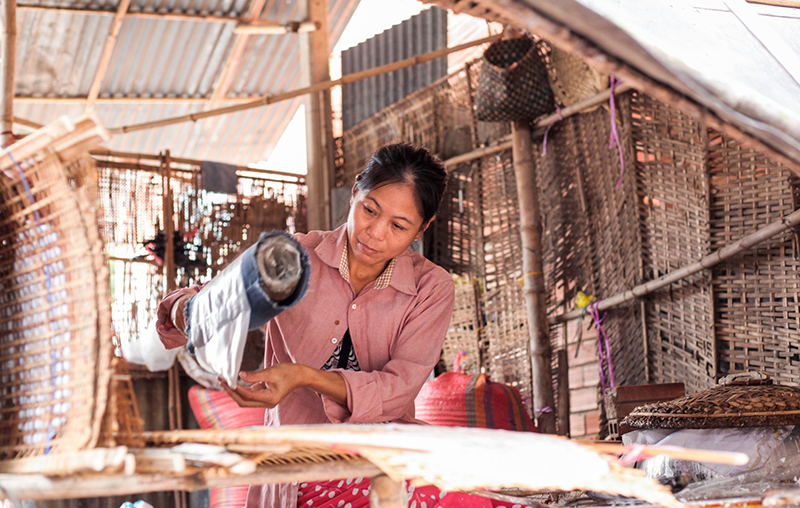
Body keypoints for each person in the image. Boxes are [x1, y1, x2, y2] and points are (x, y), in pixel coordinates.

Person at [155, 142, 456, 507]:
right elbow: (212, 303)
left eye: (398, 225)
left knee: (466, 496)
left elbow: (398, 391)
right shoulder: (294, 260)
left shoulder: (430, 288)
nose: (375, 232)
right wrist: (190, 310)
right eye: (370, 210)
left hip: (385, 454)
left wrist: (302, 376)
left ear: (423, 227)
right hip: (300, 461)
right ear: (356, 190)